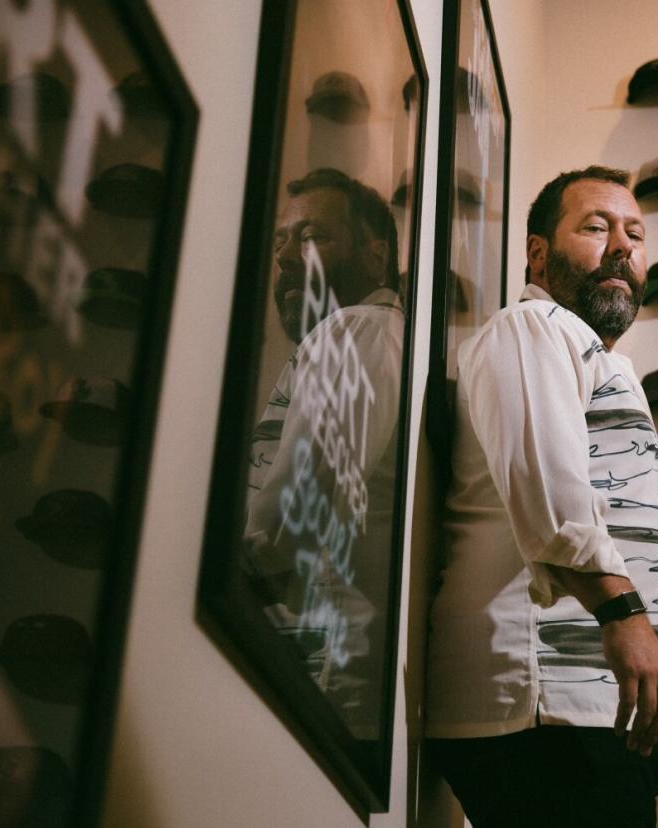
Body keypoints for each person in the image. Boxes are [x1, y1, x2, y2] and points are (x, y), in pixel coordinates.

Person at [425, 165, 658, 827]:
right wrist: (625, 617)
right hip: (546, 708)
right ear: (539, 252)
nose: (622, 248)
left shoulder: (588, 354)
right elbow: (551, 497)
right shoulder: (534, 326)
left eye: (635, 233)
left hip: (592, 709)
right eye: (596, 227)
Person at [243, 167, 405, 740]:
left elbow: (290, 519)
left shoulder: (355, 329)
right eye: (282, 241)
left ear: (375, 255)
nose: (286, 257)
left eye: (312, 237)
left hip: (323, 672)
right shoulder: (369, 334)